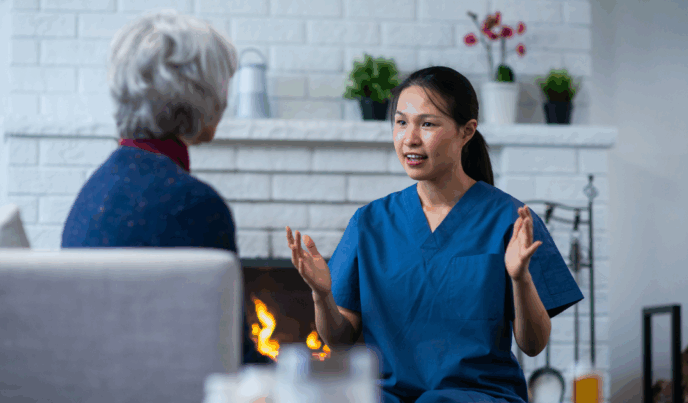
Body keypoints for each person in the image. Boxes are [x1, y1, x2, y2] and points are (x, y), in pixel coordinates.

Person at [285, 66, 583, 403]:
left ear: (466, 132)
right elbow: (339, 341)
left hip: (477, 396)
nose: (410, 138)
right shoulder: (369, 222)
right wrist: (322, 295)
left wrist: (519, 279)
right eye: (401, 122)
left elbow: (533, 345)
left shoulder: (510, 221)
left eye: (427, 124)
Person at [61, 10, 271, 366]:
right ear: (197, 93)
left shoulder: (95, 189)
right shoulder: (191, 204)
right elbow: (229, 356)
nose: (226, 100)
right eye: (222, 84)